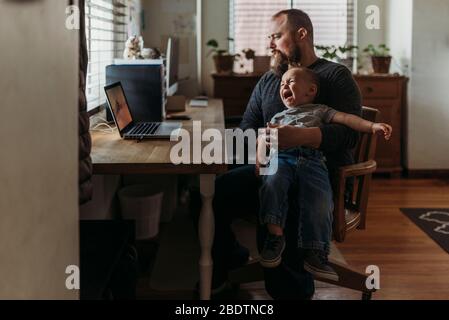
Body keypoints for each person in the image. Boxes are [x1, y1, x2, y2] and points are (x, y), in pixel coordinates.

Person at [210, 9, 363, 299]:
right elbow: (247, 127)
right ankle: (232, 259)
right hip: (273, 168)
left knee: (288, 205)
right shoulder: (270, 81)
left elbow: (352, 133)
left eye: (276, 36)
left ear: (301, 34)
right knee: (213, 191)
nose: (270, 44)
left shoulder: (335, 76)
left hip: (321, 177)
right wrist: (258, 149)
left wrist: (306, 136)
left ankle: (290, 290)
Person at [256, 67, 391, 281]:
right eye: (282, 84)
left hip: (312, 160)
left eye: (290, 81)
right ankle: (275, 237)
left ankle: (316, 252)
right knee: (272, 185)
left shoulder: (320, 110)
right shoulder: (278, 116)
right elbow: (263, 141)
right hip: (282, 159)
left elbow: (348, 119)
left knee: (319, 198)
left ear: (311, 90)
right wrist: (260, 161)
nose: (283, 86)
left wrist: (372, 125)